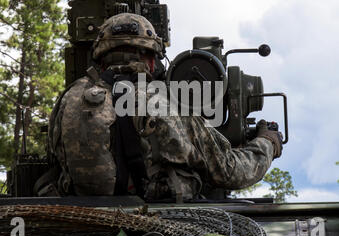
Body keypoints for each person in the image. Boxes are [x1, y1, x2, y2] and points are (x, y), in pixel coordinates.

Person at [42, 13, 282, 202]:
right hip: (155, 223)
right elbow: (231, 171)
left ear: (101, 57)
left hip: (83, 218)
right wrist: (267, 143)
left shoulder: (69, 98)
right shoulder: (167, 103)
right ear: (150, 58)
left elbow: (56, 160)